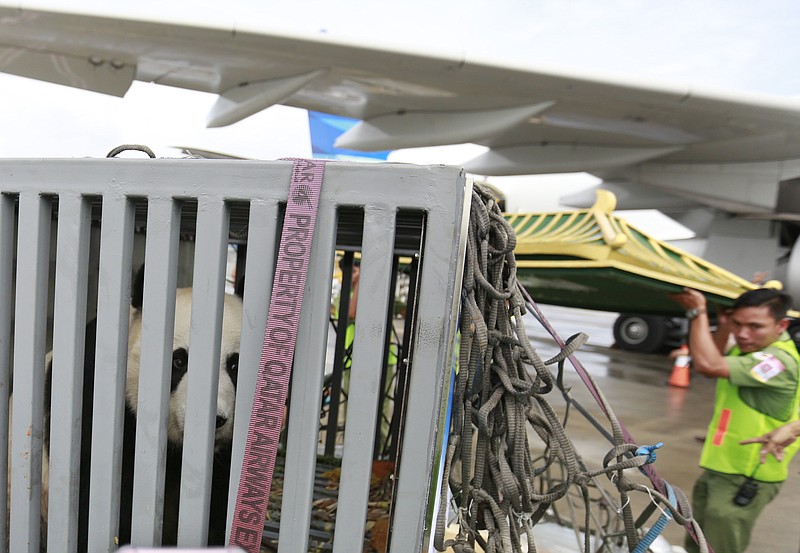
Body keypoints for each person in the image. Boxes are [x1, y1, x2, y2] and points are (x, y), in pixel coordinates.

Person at [670, 287, 800, 553]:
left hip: (746, 477)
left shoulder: (776, 361)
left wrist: (698, 312)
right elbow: (708, 359)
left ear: (781, 325)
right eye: (738, 324)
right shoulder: (751, 351)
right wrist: (724, 325)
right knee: (697, 545)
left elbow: (709, 364)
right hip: (722, 469)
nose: (743, 334)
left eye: (755, 326)